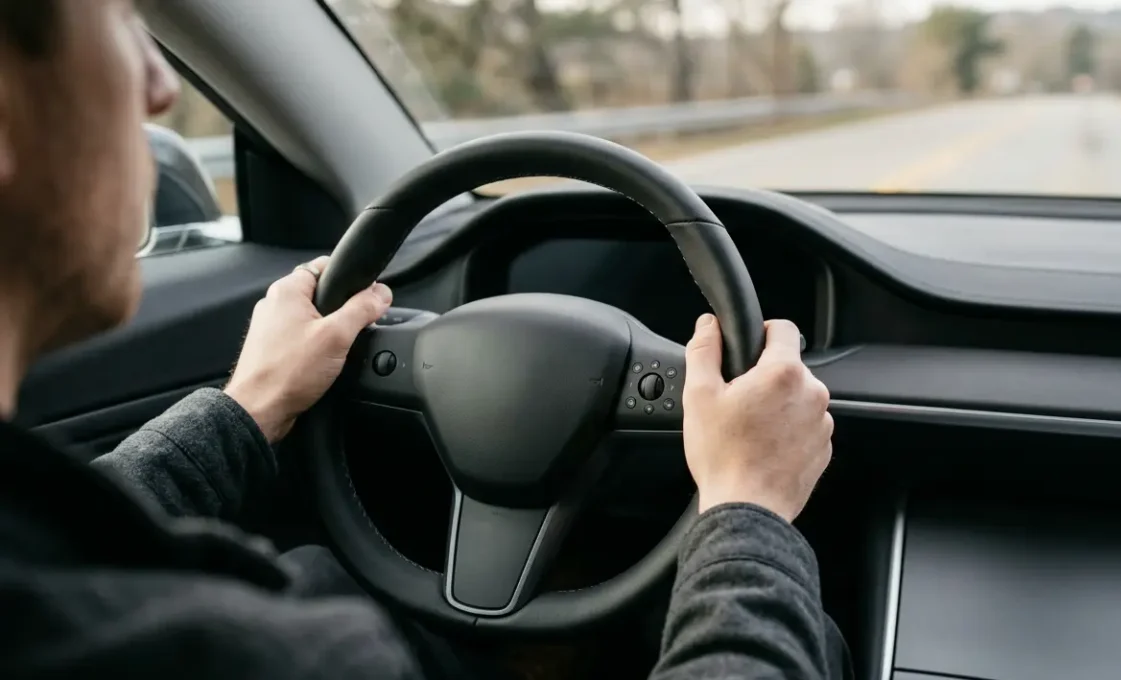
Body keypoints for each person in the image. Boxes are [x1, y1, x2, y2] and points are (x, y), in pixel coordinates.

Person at [0, 2, 848, 679]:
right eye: (116, 20)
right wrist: (746, 509)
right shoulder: (277, 654)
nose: (158, 86)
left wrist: (247, 404)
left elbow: (70, 529)